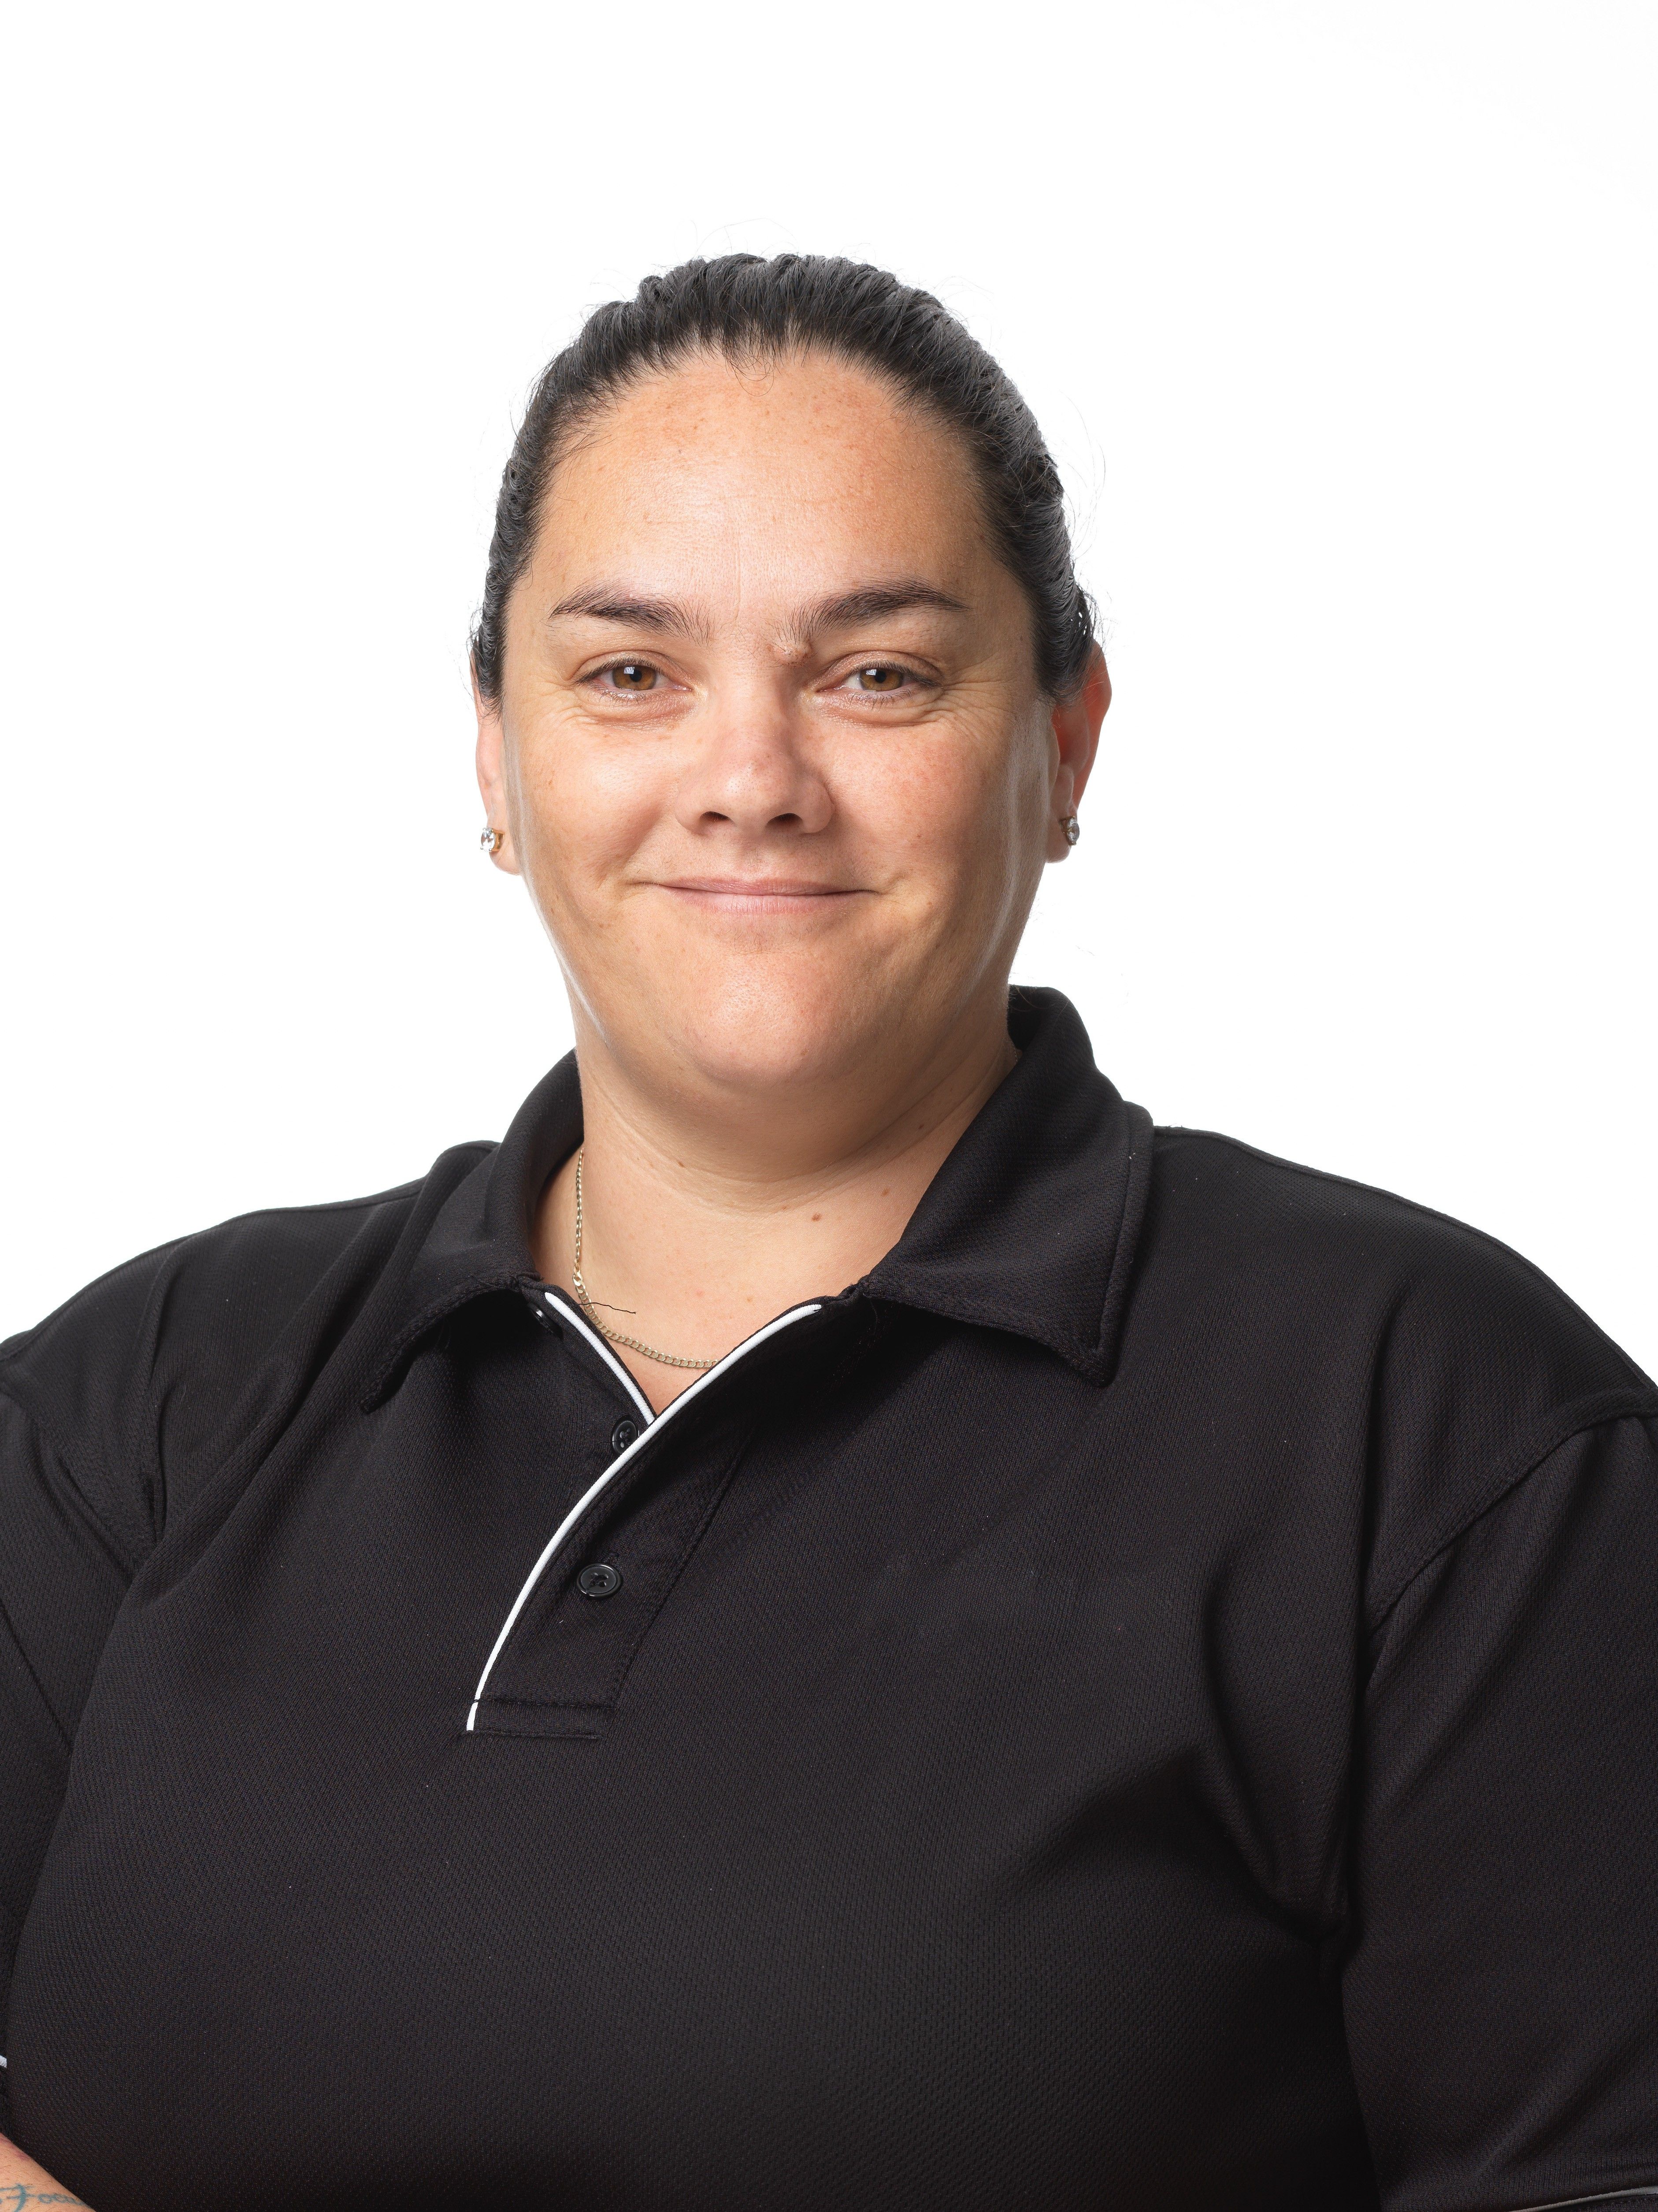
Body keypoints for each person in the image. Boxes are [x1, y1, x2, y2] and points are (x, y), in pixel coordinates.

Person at [1, 254, 1654, 2212]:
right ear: (496, 757)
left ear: (1066, 743)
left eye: (875, 672)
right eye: (630, 671)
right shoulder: (146, 1402)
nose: (749, 781)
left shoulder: (1440, 1432)